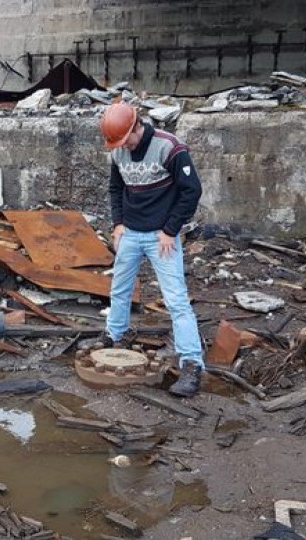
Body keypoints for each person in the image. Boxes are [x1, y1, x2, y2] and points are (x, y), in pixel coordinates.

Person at [97, 102, 205, 398]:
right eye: (117, 143)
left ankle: (192, 363)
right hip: (130, 232)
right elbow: (115, 188)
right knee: (119, 289)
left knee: (176, 300)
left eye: (125, 139)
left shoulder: (170, 148)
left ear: (136, 127)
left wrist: (170, 230)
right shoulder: (119, 150)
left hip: (161, 237)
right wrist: (118, 223)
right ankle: (114, 334)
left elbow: (191, 191)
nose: (123, 147)